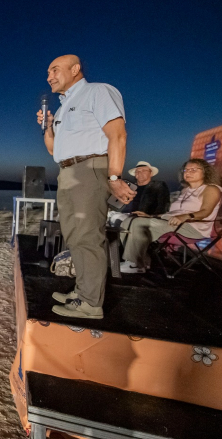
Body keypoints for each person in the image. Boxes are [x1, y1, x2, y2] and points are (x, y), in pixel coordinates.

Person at [37, 54, 131, 320]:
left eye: (54, 70)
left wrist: (114, 177)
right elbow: (55, 150)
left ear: (75, 69)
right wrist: (47, 127)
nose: (49, 77)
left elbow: (118, 134)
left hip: (89, 169)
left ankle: (91, 303)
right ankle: (82, 292)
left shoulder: (97, 91)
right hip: (67, 171)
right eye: (47, 73)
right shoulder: (65, 106)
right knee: (75, 235)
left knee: (88, 235)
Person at [120, 159, 222, 273]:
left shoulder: (210, 188)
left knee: (138, 224)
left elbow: (205, 211)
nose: (188, 172)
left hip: (192, 227)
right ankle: (142, 260)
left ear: (205, 172)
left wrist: (184, 217)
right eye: (186, 170)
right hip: (173, 222)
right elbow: (173, 213)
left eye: (193, 170)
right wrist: (150, 216)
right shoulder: (185, 190)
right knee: (127, 221)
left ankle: (134, 264)